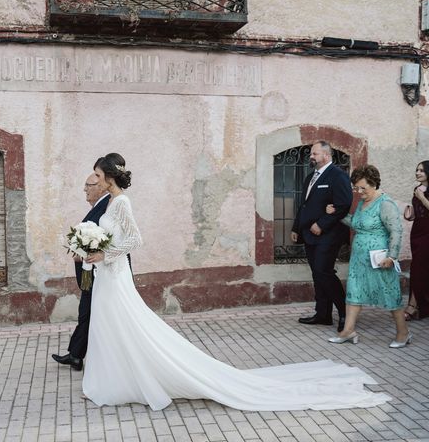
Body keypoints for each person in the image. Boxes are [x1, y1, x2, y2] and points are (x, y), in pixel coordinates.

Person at [81, 152, 390, 411]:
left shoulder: (121, 203)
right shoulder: (111, 202)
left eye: (96, 175)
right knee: (111, 325)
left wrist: (103, 254)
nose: (93, 179)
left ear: (108, 177)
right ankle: (113, 378)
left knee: (126, 324)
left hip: (114, 274)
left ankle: (125, 380)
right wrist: (93, 249)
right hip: (108, 276)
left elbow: (135, 240)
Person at [326, 165, 410, 348]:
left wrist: (392, 256)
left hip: (380, 260)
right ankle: (348, 331)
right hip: (359, 259)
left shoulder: (385, 203)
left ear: (374, 184)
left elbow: (396, 230)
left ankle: (403, 333)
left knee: (390, 294)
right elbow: (357, 223)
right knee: (354, 292)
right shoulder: (363, 204)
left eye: (363, 188)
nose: (359, 191)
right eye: (356, 188)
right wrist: (338, 214)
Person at [291, 141, 353, 332]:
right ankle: (323, 314)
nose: (311, 156)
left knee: (323, 271)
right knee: (317, 274)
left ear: (326, 155)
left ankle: (345, 314)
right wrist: (296, 228)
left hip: (329, 234)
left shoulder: (338, 176)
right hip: (309, 234)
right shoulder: (310, 177)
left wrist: (322, 224)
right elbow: (303, 205)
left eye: (315, 153)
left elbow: (343, 204)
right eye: (311, 153)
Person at [52, 173, 110, 371]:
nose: (85, 189)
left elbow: (106, 241)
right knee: (86, 312)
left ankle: (77, 355)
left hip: (96, 273)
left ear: (101, 186)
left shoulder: (106, 207)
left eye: (89, 185)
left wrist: (82, 252)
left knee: (88, 312)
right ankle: (76, 355)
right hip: (89, 272)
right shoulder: (97, 207)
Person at [403, 160, 429, 320]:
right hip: (417, 231)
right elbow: (419, 212)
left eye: (421, 171)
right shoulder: (417, 189)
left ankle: (413, 305)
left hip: (428, 233)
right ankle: (421, 305)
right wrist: (411, 214)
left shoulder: (421, 192)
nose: (418, 173)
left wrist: (422, 197)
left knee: (418, 269)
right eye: (417, 170)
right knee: (420, 268)